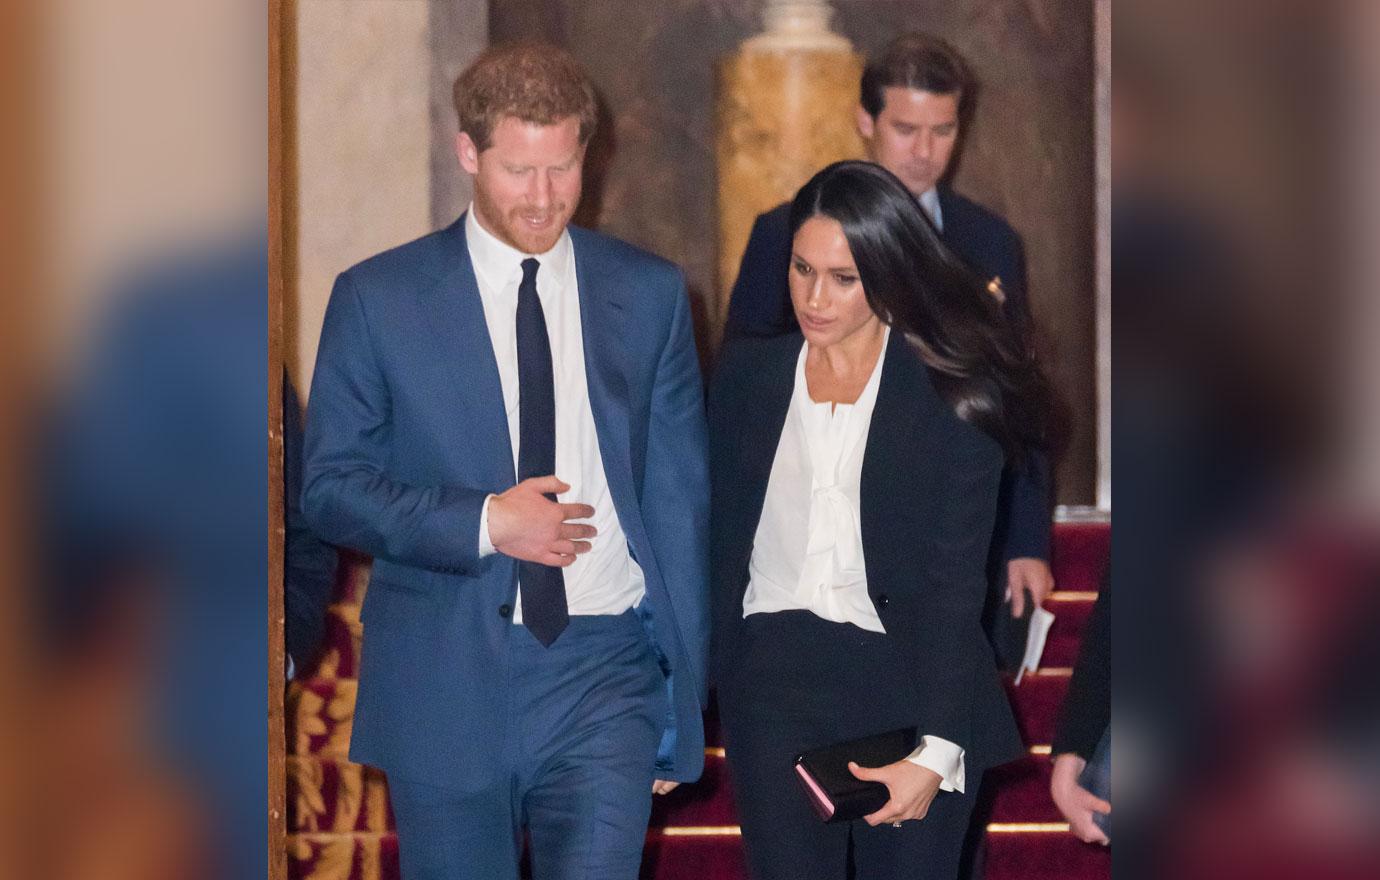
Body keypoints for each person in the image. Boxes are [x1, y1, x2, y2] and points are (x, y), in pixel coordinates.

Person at [301, 43, 709, 880]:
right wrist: (487, 522)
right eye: (519, 171)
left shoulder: (652, 294)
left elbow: (680, 505)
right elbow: (330, 490)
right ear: (468, 155)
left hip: (606, 670)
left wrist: (682, 698)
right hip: (444, 674)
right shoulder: (378, 299)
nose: (544, 197)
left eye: (562, 169)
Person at [709, 160, 1052, 880]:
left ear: (889, 274)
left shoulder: (950, 393)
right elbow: (712, 544)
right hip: (773, 679)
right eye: (802, 270)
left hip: (908, 678)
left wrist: (936, 749)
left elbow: (953, 588)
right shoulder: (747, 378)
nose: (814, 296)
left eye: (843, 277)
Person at [723, 32, 1055, 628]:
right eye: (906, 129)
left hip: (956, 526)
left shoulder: (990, 242)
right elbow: (740, 393)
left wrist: (1026, 538)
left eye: (944, 130)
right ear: (866, 121)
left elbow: (1016, 395)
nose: (925, 151)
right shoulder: (787, 233)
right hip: (826, 531)